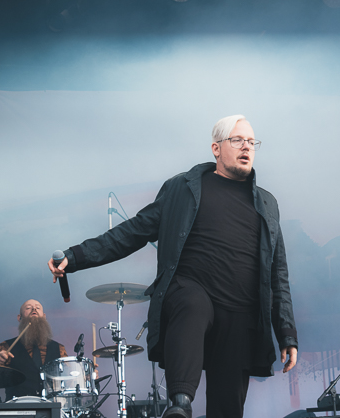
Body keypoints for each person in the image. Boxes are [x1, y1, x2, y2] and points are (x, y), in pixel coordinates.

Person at [48, 115, 298, 418]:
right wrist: (76, 256)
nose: (246, 147)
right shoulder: (183, 189)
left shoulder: (267, 204)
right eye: (237, 140)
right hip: (191, 291)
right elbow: (132, 232)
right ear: (216, 148)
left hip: (240, 315)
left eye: (251, 142)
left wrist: (287, 333)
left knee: (228, 409)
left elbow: (278, 274)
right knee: (192, 303)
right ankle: (180, 403)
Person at [0, 299, 68, 400]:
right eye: (28, 308)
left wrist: (84, 376)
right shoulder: (6, 346)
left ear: (44, 316)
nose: (34, 309)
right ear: (19, 317)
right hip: (17, 407)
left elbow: (69, 376)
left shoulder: (59, 348)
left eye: (38, 308)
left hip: (51, 406)